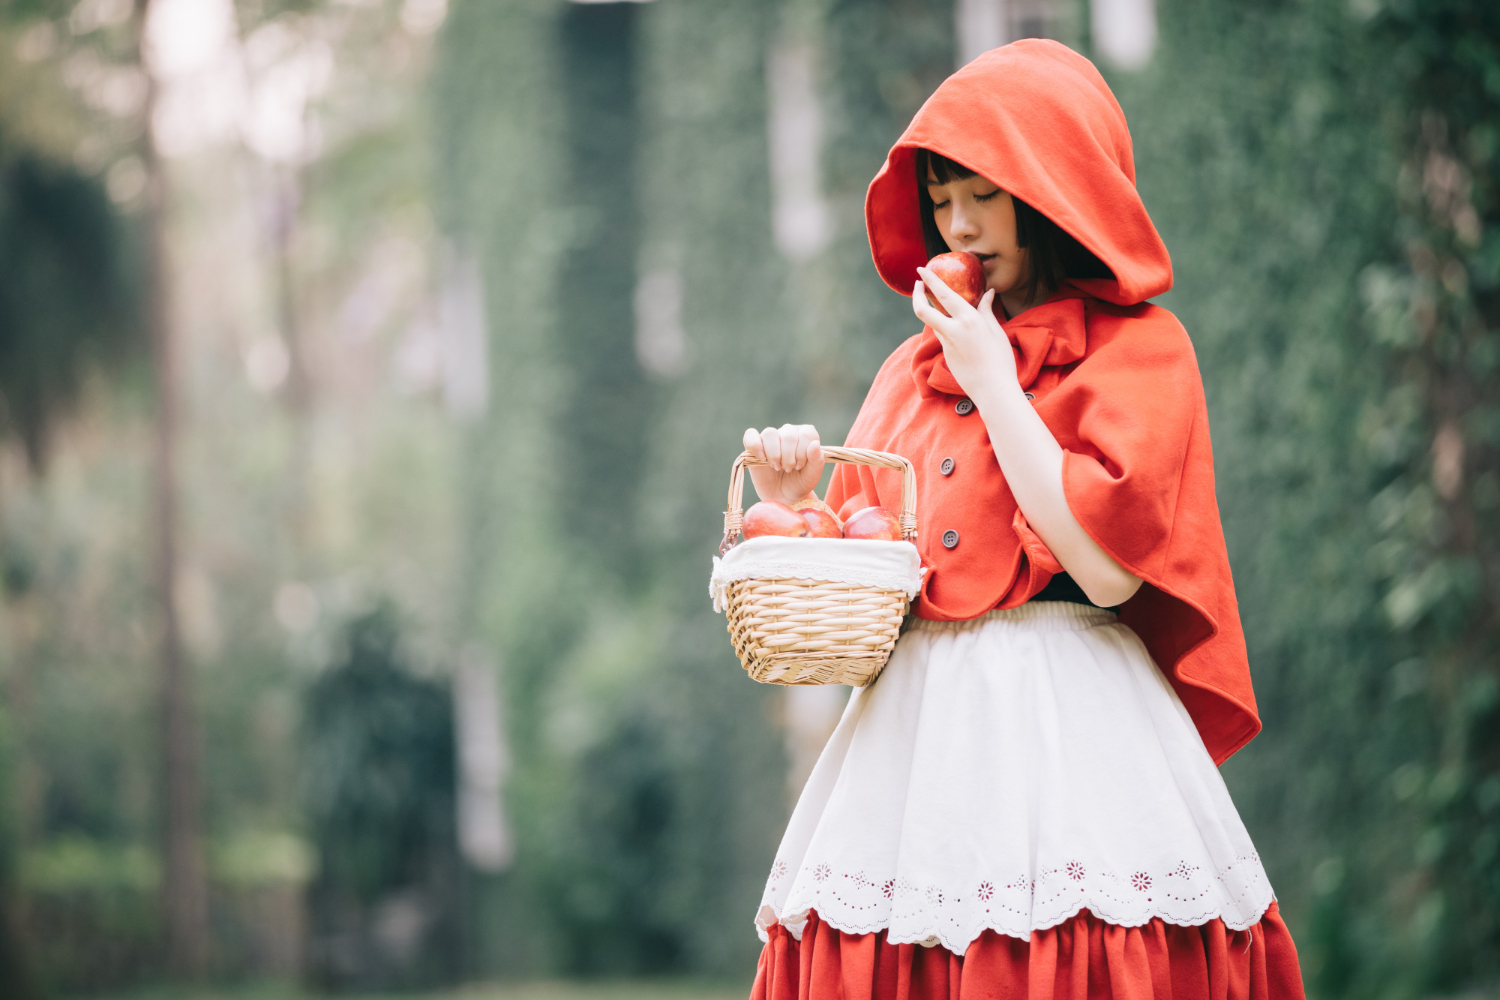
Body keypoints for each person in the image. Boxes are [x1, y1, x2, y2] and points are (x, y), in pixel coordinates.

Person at [738, 40, 1307, 999]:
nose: (958, 226)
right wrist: (796, 510)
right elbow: (869, 579)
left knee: (1078, 952)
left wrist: (997, 382)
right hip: (912, 756)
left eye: (983, 194)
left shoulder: (1137, 353)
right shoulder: (906, 372)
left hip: (1071, 730)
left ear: (1049, 186)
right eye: (942, 199)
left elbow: (1107, 571)